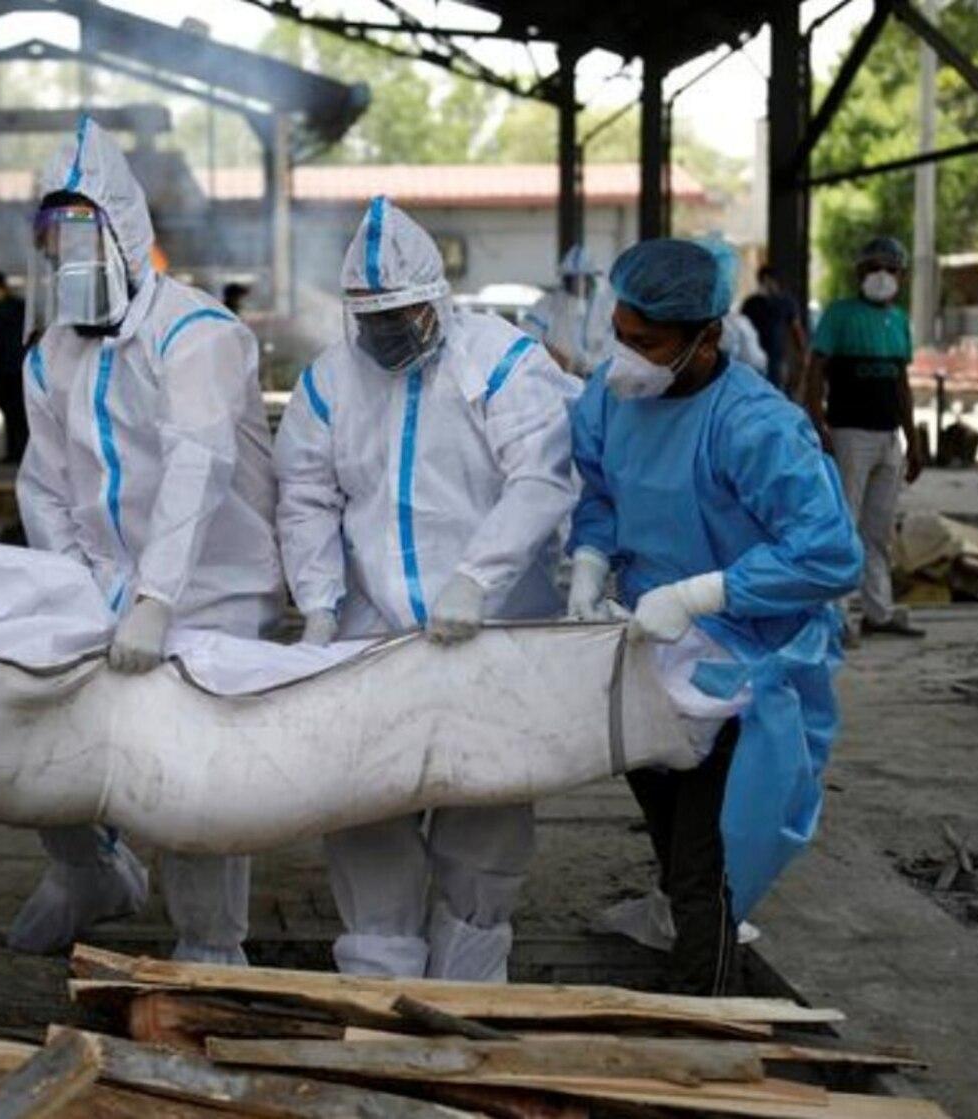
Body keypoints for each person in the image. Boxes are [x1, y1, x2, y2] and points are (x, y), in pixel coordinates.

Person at [275, 196, 580, 981]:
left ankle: (470, 967)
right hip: (372, 630)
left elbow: (540, 478)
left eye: (400, 319)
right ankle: (379, 966)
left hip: (493, 631)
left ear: (434, 303)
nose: (386, 337)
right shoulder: (330, 382)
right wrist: (316, 605)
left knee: (486, 797)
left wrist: (479, 579)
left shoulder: (504, 363)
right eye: (371, 321)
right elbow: (304, 493)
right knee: (364, 799)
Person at [10, 116, 283, 966]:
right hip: (107, 588)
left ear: (126, 238)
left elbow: (195, 470)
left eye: (81, 240)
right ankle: (88, 869)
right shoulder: (50, 353)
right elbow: (45, 485)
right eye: (53, 246)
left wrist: (159, 598)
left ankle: (210, 945)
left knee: (192, 775)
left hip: (215, 589)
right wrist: (76, 588)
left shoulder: (194, 334)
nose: (65, 263)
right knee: (37, 719)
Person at [565, 237, 861, 995]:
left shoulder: (755, 425)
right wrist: (591, 560)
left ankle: (703, 1014)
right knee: (665, 824)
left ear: (706, 336)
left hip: (741, 666)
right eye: (620, 336)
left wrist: (706, 594)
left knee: (708, 861)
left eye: (648, 343)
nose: (626, 356)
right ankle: (682, 919)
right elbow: (597, 488)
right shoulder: (613, 392)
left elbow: (829, 552)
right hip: (648, 646)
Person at [801, 236, 925, 640]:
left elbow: (902, 382)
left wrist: (913, 438)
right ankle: (836, 618)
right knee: (843, 525)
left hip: (889, 436)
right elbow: (816, 369)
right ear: (859, 274)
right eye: (874, 268)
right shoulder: (840, 315)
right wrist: (817, 423)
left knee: (878, 530)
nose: (882, 276)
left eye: (891, 268)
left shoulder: (900, 320)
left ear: (902, 276)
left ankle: (878, 611)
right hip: (850, 432)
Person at [525, 245, 613, 375]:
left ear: (592, 279)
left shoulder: (607, 307)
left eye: (584, 279)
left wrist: (582, 365)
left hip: (597, 379)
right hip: (556, 377)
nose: (579, 285)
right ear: (565, 280)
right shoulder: (548, 304)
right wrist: (548, 354)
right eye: (574, 280)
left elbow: (614, 352)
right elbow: (527, 334)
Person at [0, 272, 29, 464]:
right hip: (19, 365)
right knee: (21, 412)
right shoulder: (22, 307)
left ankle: (14, 451)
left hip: (4, 368)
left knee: (10, 414)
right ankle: (24, 451)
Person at [740, 265, 808, 392]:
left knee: (776, 391)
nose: (766, 283)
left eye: (769, 280)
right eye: (763, 280)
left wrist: (802, 355)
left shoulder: (786, 302)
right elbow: (742, 329)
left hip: (778, 358)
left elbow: (796, 330)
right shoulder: (751, 303)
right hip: (755, 358)